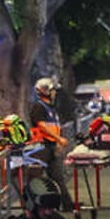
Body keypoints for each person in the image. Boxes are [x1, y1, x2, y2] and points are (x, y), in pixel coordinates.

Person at [28, 78, 73, 208]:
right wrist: (59, 139)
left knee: (57, 177)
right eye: (53, 90)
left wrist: (57, 142)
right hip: (41, 148)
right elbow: (42, 125)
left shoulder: (51, 108)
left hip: (50, 146)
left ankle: (68, 204)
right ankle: (32, 206)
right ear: (45, 91)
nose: (55, 93)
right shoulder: (38, 107)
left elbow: (54, 126)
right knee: (35, 178)